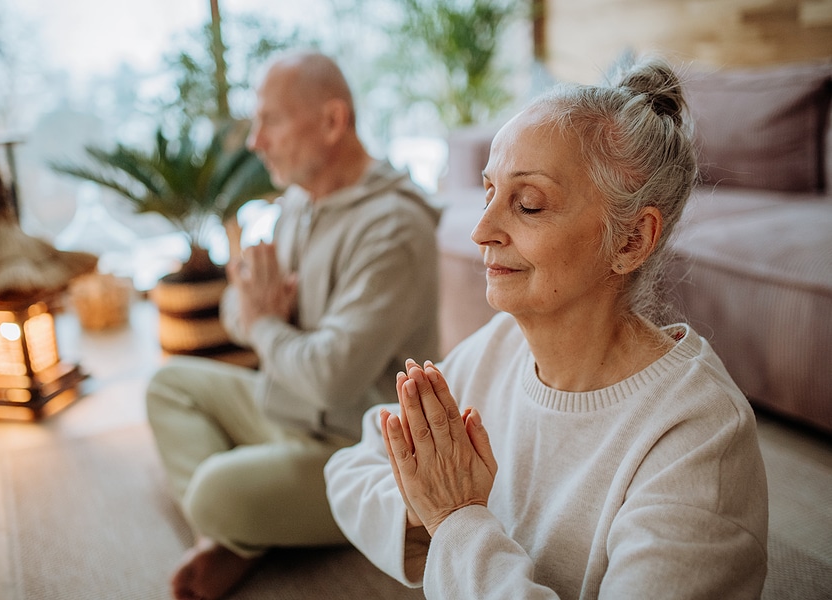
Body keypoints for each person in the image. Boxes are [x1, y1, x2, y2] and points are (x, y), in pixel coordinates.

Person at [324, 55, 769, 599]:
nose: (482, 230)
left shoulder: (699, 436)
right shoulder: (499, 348)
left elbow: (447, 518)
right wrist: (434, 511)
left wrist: (458, 520)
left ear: (630, 240)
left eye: (528, 205)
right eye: (488, 192)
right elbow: (349, 469)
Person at [146, 51, 441, 600]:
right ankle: (238, 537)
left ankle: (237, 527)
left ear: (332, 122)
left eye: (270, 121)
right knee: (168, 385)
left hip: (356, 446)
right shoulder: (298, 204)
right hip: (287, 405)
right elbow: (237, 308)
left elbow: (330, 377)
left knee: (212, 489)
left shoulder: (395, 226)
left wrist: (264, 323)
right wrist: (261, 318)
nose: (255, 142)